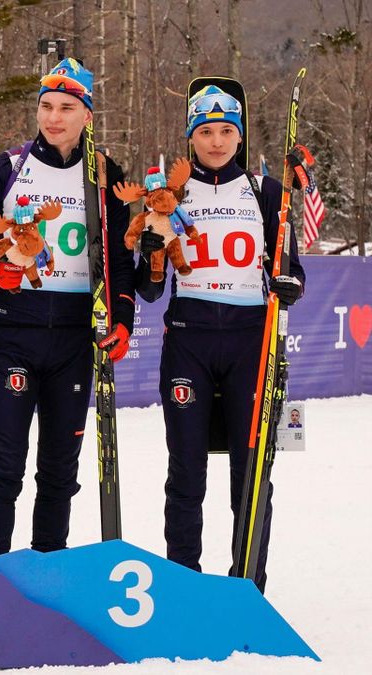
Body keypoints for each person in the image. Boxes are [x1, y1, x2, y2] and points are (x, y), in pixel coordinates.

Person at [0, 58, 136, 556]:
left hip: (75, 340)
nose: (54, 118)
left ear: (87, 116)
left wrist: (122, 320)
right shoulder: (5, 168)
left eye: (67, 108)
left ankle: (49, 570)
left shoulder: (104, 176)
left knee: (59, 470)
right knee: (4, 467)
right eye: (46, 106)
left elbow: (120, 260)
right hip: (16, 332)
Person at [142, 84, 305, 591]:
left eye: (226, 131)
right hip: (188, 338)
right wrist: (149, 248)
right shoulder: (172, 192)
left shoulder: (266, 191)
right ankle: (183, 582)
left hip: (249, 341)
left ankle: (247, 582)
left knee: (251, 473)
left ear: (240, 135)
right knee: (186, 471)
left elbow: (292, 270)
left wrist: (287, 283)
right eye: (205, 131)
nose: (216, 141)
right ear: (192, 136)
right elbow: (149, 290)